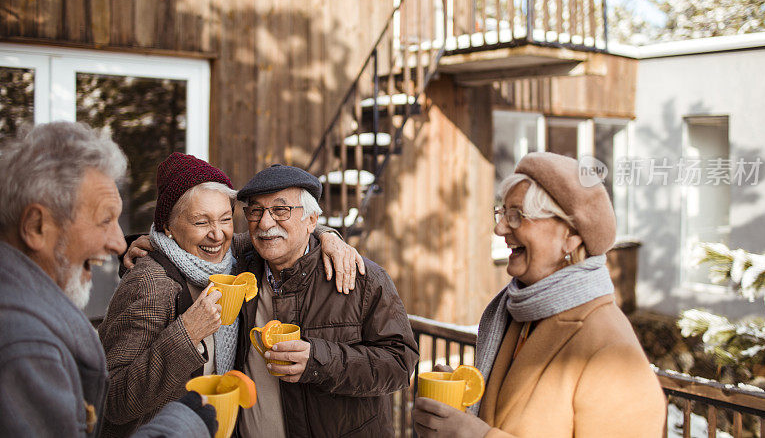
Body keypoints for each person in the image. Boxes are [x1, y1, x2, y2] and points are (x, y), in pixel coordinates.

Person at [99, 153, 362, 438]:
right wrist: (186, 334)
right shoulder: (149, 283)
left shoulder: (234, 255)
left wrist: (329, 236)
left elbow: (282, 231)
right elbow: (110, 399)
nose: (217, 235)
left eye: (225, 219)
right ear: (168, 228)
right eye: (201, 223)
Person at [412, 152, 665, 437]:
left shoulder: (612, 350)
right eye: (502, 212)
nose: (499, 228)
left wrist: (477, 436)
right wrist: (461, 400)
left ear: (570, 235)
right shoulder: (517, 317)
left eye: (517, 215)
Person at [0, 122, 216, 438]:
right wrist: (182, 424)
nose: (119, 242)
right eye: (104, 220)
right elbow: (115, 399)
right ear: (36, 226)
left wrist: (315, 235)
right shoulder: (27, 345)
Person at [233, 164, 419, 437]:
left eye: (280, 210)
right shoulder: (238, 269)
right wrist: (149, 244)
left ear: (311, 221)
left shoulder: (363, 278)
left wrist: (318, 360)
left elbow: (400, 364)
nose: (265, 222)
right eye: (256, 211)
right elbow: (195, 241)